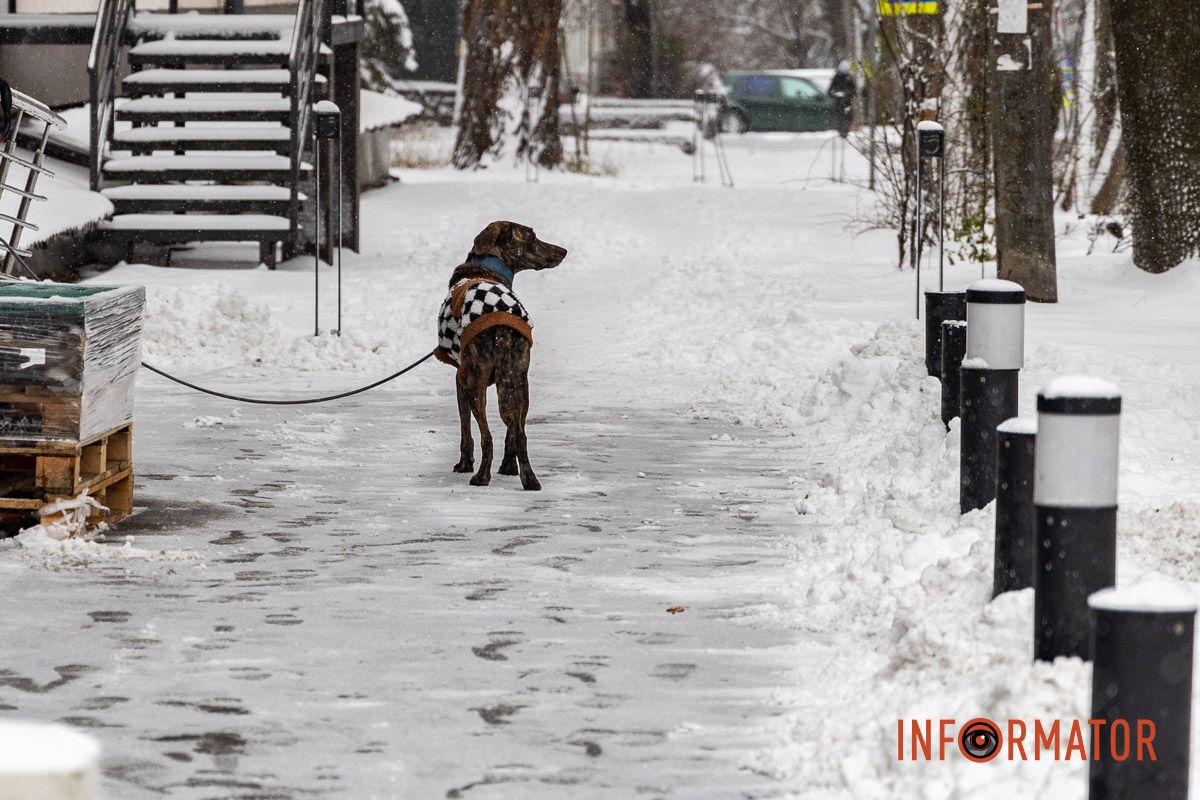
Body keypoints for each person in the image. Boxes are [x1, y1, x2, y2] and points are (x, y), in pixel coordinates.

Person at [828, 60, 856, 137]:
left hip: (847, 102)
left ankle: (845, 130)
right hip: (839, 102)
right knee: (840, 116)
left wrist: (846, 93)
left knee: (848, 116)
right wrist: (837, 94)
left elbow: (854, 90)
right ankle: (840, 130)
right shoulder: (837, 77)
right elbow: (830, 91)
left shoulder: (849, 77)